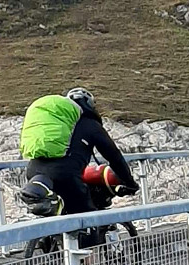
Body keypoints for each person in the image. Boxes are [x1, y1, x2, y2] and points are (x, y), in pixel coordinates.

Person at [19, 89, 138, 231]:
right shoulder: (90, 124)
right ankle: (89, 252)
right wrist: (130, 182)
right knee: (88, 219)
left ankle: (51, 245)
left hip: (33, 173)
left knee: (58, 215)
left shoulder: (56, 123)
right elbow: (114, 156)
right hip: (66, 176)